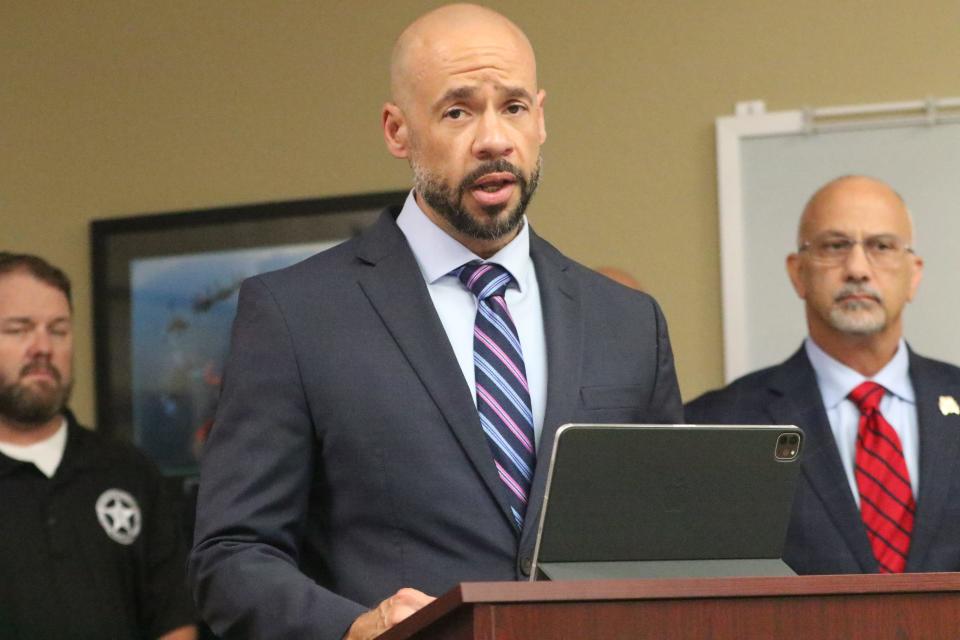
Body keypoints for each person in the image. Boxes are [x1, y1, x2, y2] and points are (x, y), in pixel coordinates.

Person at [188, 4, 683, 639]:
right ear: (397, 131)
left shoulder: (628, 321)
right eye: (458, 111)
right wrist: (356, 629)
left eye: (513, 107)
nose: (493, 139)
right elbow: (231, 556)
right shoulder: (295, 315)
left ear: (541, 118)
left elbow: (676, 547)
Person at [685, 175, 960, 575]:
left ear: (913, 274)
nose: (858, 269)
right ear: (798, 273)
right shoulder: (718, 425)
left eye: (881, 246)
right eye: (835, 246)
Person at [0, 252, 197, 639]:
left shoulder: (129, 470)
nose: (43, 347)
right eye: (19, 329)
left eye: (58, 330)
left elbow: (174, 621)